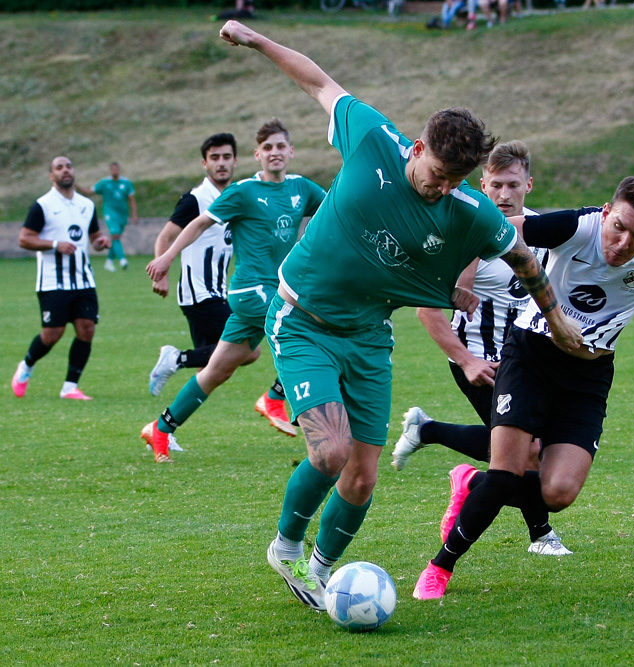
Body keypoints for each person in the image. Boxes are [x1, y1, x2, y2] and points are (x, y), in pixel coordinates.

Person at [217, 19, 582, 613]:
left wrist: (556, 316)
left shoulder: (468, 209)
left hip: (369, 338)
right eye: (437, 173)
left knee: (362, 478)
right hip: (302, 319)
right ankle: (285, 545)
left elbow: (518, 255)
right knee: (330, 452)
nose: (442, 188)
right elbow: (316, 81)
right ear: (416, 149)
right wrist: (257, 41)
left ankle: (321, 571)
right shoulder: (372, 137)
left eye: (456, 180)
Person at [412, 176, 634, 600]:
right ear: (606, 211)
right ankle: (440, 567)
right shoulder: (576, 227)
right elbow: (493, 230)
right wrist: (465, 274)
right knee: (507, 470)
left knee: (558, 493)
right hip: (530, 355)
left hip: (588, 377)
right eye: (618, 226)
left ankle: (471, 483)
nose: (623, 242)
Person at [391, 140, 571, 557]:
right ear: (482, 186)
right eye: (495, 186)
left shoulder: (543, 233)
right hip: (478, 360)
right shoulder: (459, 238)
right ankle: (540, 534)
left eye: (512, 185)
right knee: (526, 450)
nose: (504, 195)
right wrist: (466, 360)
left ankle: (432, 436)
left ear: (529, 184)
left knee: (518, 449)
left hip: (528, 361)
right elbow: (427, 311)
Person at [142, 118, 327, 463]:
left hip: (279, 289)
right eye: (267, 148)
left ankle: (161, 429)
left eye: (280, 146)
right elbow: (199, 223)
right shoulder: (243, 191)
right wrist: (167, 257)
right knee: (308, 329)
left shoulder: (303, 188)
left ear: (291, 151)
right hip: (250, 290)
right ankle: (274, 398)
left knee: (216, 371)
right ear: (257, 154)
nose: (275, 153)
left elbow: (334, 212)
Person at [11, 157, 111, 401]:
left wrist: (100, 242)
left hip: (84, 279)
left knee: (86, 329)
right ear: (51, 175)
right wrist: (55, 244)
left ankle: (70, 387)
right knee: (52, 334)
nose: (65, 170)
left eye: (69, 166)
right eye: (59, 167)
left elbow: (94, 236)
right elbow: (24, 238)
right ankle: (25, 367)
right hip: (53, 281)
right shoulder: (42, 205)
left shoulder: (86, 205)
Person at [147, 133, 238, 400]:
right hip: (199, 293)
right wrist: (160, 274)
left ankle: (165, 427)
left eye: (226, 157)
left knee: (213, 369)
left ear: (235, 161)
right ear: (204, 163)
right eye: (214, 158)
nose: (221, 163)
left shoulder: (233, 197)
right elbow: (164, 237)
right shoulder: (196, 199)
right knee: (247, 348)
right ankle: (174, 358)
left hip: (215, 293)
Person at [78, 162, 137, 272]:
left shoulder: (126, 183)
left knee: (116, 238)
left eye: (117, 169)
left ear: (119, 170)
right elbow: (90, 191)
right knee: (115, 235)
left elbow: (132, 200)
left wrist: (134, 215)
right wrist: (76, 186)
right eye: (113, 169)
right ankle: (123, 260)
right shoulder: (105, 183)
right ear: (110, 171)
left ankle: (109, 262)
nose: (115, 171)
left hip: (123, 214)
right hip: (110, 213)